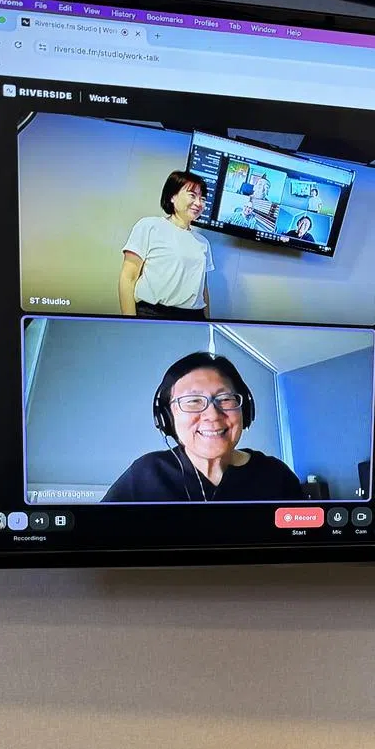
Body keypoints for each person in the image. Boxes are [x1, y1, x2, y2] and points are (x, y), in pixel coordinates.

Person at [102, 352, 305, 502]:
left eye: (225, 399)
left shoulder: (276, 475)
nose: (212, 415)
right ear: (167, 417)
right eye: (193, 401)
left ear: (245, 408)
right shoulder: (146, 474)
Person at [117, 170, 214, 320]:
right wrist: (130, 322)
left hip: (194, 318)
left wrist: (208, 324)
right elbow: (128, 277)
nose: (199, 203)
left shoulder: (203, 243)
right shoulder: (149, 226)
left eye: (202, 198)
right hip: (153, 314)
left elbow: (203, 290)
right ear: (172, 196)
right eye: (192, 195)